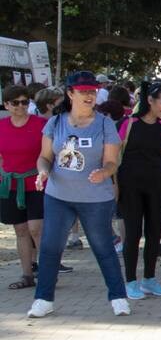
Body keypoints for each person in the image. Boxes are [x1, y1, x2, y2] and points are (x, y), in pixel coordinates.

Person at [28, 72, 128, 318]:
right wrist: (42, 172)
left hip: (96, 199)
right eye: (83, 91)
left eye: (92, 91)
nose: (89, 96)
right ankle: (43, 299)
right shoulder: (55, 122)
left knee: (103, 247)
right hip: (58, 195)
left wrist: (104, 172)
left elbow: (112, 161)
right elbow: (45, 157)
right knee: (50, 247)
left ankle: (118, 297)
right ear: (70, 94)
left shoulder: (104, 124)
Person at [116, 80, 161, 299]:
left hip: (156, 186)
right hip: (129, 186)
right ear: (149, 100)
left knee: (154, 234)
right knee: (132, 233)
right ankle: (130, 281)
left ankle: (149, 279)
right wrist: (114, 186)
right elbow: (114, 156)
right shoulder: (128, 123)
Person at [1, 84, 47, 290]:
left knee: (36, 229)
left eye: (25, 102)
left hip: (37, 183)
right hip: (11, 185)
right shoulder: (1, 126)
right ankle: (27, 274)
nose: (21, 106)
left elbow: (49, 153)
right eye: (16, 103)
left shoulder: (40, 124)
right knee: (20, 231)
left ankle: (47, 272)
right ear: (6, 105)